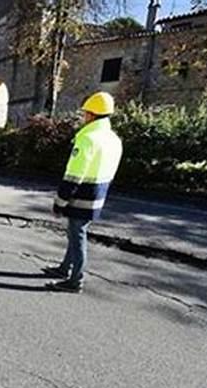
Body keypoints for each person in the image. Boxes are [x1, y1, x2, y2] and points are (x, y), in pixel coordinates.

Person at [46, 92, 123, 293]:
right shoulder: (114, 139)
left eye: (85, 113)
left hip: (81, 196)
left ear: (91, 114)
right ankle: (64, 269)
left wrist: (60, 201)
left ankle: (75, 280)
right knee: (75, 233)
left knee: (77, 235)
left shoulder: (88, 139)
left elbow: (74, 175)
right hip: (98, 195)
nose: (84, 116)